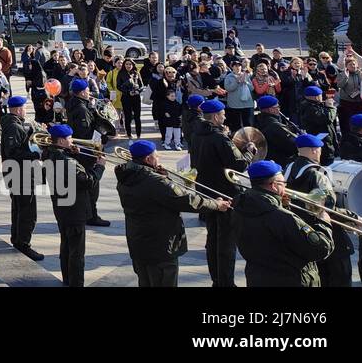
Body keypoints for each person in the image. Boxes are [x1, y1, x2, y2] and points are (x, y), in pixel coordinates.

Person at [115, 139, 231, 286]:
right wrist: (216, 204)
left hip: (138, 242)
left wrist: (164, 176)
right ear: (148, 159)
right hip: (160, 245)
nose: (159, 158)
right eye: (156, 155)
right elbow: (186, 200)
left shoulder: (127, 176)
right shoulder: (155, 181)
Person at [232, 160, 335, 287]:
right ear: (274, 185)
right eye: (283, 183)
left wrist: (281, 205)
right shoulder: (282, 217)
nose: (285, 188)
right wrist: (324, 223)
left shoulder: (240, 208)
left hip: (257, 278)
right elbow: (320, 249)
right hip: (292, 279)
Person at [191, 99, 250, 287]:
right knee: (226, 241)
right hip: (225, 193)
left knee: (212, 237)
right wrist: (249, 152)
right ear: (216, 116)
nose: (225, 117)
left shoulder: (197, 133)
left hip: (205, 190)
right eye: (223, 114)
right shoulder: (219, 137)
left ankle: (216, 279)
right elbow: (238, 164)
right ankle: (226, 282)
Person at [283, 134, 354, 287]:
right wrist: (351, 217)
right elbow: (328, 207)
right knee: (340, 276)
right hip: (327, 232)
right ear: (315, 150)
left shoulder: (288, 169)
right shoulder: (318, 173)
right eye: (320, 150)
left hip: (303, 232)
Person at [43, 123, 93, 284]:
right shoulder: (65, 160)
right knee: (77, 252)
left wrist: (77, 155)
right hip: (74, 210)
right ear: (61, 141)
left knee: (66, 246)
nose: (72, 141)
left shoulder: (49, 154)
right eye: (69, 138)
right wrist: (99, 167)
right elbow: (86, 182)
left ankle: (67, 279)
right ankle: (76, 282)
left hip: (61, 207)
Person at [1, 97, 43, 261]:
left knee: (18, 208)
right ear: (18, 109)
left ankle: (17, 240)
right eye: (25, 108)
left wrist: (32, 133)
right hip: (20, 174)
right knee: (27, 212)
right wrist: (35, 154)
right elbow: (14, 152)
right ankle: (24, 243)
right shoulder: (13, 126)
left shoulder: (14, 124)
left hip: (18, 174)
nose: (26, 110)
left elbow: (20, 145)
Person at [63, 79, 110, 227]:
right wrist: (101, 132)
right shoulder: (81, 109)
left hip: (81, 150)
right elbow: (85, 134)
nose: (90, 92)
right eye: (88, 90)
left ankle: (88, 213)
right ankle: (91, 215)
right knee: (92, 185)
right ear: (82, 92)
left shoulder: (76, 104)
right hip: (86, 151)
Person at [298, 85, 341, 165]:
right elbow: (327, 119)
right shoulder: (310, 109)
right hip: (321, 143)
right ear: (316, 97)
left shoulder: (314, 105)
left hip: (325, 140)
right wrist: (331, 108)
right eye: (320, 95)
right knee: (326, 164)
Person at [253, 95, 300, 167]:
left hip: (268, 158)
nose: (279, 109)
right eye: (277, 107)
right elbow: (292, 145)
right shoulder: (274, 125)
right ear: (270, 110)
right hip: (281, 161)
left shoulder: (259, 120)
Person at [116, 59, 144, 140]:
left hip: (136, 97)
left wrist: (138, 91)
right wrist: (128, 92)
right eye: (127, 64)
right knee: (127, 116)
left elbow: (141, 85)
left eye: (130, 64)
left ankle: (139, 134)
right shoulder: (121, 73)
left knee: (137, 116)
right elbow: (118, 86)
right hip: (126, 97)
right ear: (124, 65)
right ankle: (129, 134)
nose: (129, 66)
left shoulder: (136, 73)